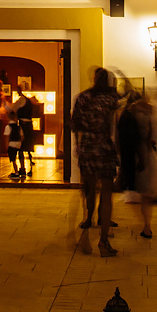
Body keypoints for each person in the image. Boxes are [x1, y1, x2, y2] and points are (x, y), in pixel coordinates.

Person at [70, 68, 121, 255]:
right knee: (106, 193)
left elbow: (75, 124)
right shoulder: (112, 99)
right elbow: (117, 124)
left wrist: (78, 145)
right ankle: (104, 240)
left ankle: (88, 217)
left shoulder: (83, 98)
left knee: (89, 186)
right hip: (105, 146)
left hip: (88, 146)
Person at [118, 90, 157, 239]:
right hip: (145, 153)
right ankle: (146, 224)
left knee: (141, 191)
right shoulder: (146, 114)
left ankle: (146, 224)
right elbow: (152, 134)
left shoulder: (129, 115)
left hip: (137, 155)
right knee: (145, 193)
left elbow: (126, 137)